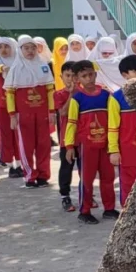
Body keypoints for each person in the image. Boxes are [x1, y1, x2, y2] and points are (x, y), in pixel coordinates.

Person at [64, 60, 118, 224]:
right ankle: (84, 210)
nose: (88, 78)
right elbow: (71, 123)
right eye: (84, 76)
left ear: (95, 74)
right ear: (77, 79)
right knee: (87, 179)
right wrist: (69, 146)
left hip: (106, 144)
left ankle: (109, 208)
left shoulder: (106, 95)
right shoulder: (77, 99)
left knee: (108, 177)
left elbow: (113, 119)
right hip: (87, 146)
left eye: (90, 74)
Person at [6, 35, 56, 188]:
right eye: (26, 48)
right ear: (20, 50)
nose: (30, 51)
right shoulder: (15, 69)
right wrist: (12, 115)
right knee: (26, 146)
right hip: (23, 113)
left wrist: (52, 111)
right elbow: (10, 93)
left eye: (33, 48)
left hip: (42, 113)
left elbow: (50, 90)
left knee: (44, 144)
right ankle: (29, 176)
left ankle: (43, 176)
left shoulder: (43, 66)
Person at [109, 55, 136, 209]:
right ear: (124, 75)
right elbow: (112, 127)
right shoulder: (116, 98)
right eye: (135, 72)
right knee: (128, 183)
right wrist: (114, 150)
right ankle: (126, 213)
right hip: (127, 150)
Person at [0, 38, 23, 178]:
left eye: (7, 47)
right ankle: (10, 165)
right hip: (3, 104)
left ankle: (21, 163)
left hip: (20, 104)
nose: (4, 50)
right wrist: (3, 68)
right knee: (6, 133)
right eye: (0, 47)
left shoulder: (20, 62)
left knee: (19, 134)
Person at [54, 62, 78, 213]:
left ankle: (86, 194)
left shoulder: (84, 93)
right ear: (61, 77)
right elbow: (63, 112)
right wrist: (72, 94)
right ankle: (65, 196)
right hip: (66, 138)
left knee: (85, 167)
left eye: (74, 76)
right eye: (67, 76)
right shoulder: (58, 94)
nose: (71, 79)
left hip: (82, 137)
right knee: (66, 166)